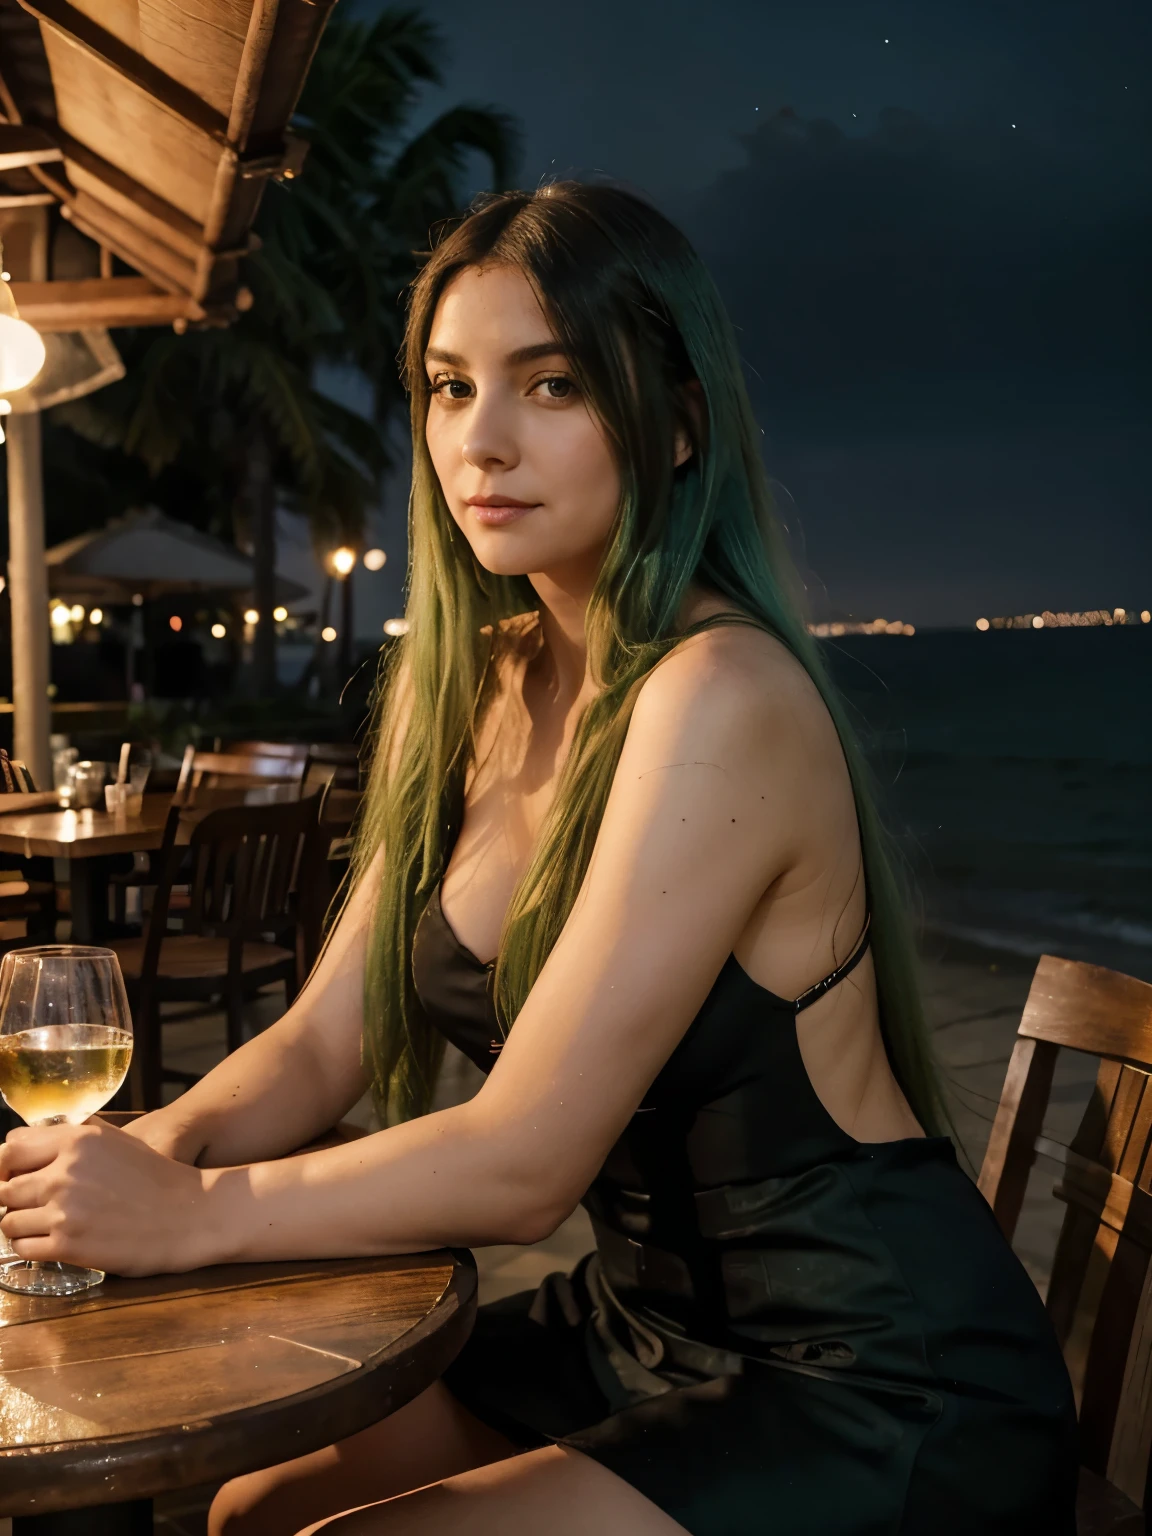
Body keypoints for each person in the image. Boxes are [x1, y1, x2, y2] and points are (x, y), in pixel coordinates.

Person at [0, 183, 1076, 1535]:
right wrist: (120, 1171)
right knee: (247, 1513)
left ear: (678, 424)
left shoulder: (719, 695)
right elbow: (323, 1045)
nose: (482, 442)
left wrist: (196, 1215)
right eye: (450, 388)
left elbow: (524, 1165)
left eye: (551, 384)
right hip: (636, 1324)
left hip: (869, 1376)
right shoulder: (477, 684)